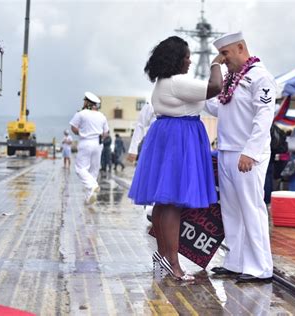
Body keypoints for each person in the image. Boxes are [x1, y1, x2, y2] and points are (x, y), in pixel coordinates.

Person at [128, 36, 223, 281]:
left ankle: (163, 260)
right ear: (177, 59)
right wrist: (216, 63)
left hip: (168, 136)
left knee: (163, 204)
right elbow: (215, 87)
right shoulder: (177, 82)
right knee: (172, 204)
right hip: (180, 138)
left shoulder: (162, 82)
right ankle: (173, 264)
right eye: (187, 56)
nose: (190, 61)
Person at [205, 31, 275, 283]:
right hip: (226, 150)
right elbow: (218, 107)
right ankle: (235, 262)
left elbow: (264, 116)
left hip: (247, 154)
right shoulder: (232, 79)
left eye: (225, 53)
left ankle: (260, 267)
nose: (223, 59)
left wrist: (251, 152)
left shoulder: (260, 77)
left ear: (241, 48)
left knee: (251, 209)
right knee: (231, 211)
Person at [70, 92, 109, 204]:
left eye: (84, 100)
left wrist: (81, 132)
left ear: (87, 102)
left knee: (80, 169)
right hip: (98, 144)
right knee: (94, 170)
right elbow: (106, 133)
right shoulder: (102, 116)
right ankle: (89, 197)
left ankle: (93, 186)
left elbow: (73, 127)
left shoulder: (81, 113)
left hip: (85, 142)